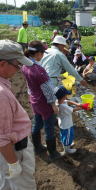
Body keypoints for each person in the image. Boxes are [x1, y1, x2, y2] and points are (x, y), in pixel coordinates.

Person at [0, 40, 36, 189]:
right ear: (2, 64)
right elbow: (1, 138)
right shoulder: (1, 95)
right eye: (17, 65)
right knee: (22, 184)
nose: (19, 69)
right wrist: (13, 163)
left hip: (8, 152)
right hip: (15, 151)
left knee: (7, 183)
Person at [22, 41, 63, 161]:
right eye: (42, 53)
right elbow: (48, 89)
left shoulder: (25, 66)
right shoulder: (38, 70)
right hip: (44, 103)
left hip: (35, 100)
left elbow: (29, 85)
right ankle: (53, 152)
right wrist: (53, 104)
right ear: (38, 53)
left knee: (37, 123)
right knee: (49, 127)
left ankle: (38, 147)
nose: (43, 55)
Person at [54, 86, 83, 154]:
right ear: (64, 96)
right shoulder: (63, 107)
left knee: (64, 135)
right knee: (68, 136)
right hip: (67, 125)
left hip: (62, 123)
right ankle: (67, 149)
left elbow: (68, 101)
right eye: (66, 95)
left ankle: (67, 144)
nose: (66, 96)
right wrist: (82, 107)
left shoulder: (58, 102)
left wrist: (77, 104)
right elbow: (73, 110)